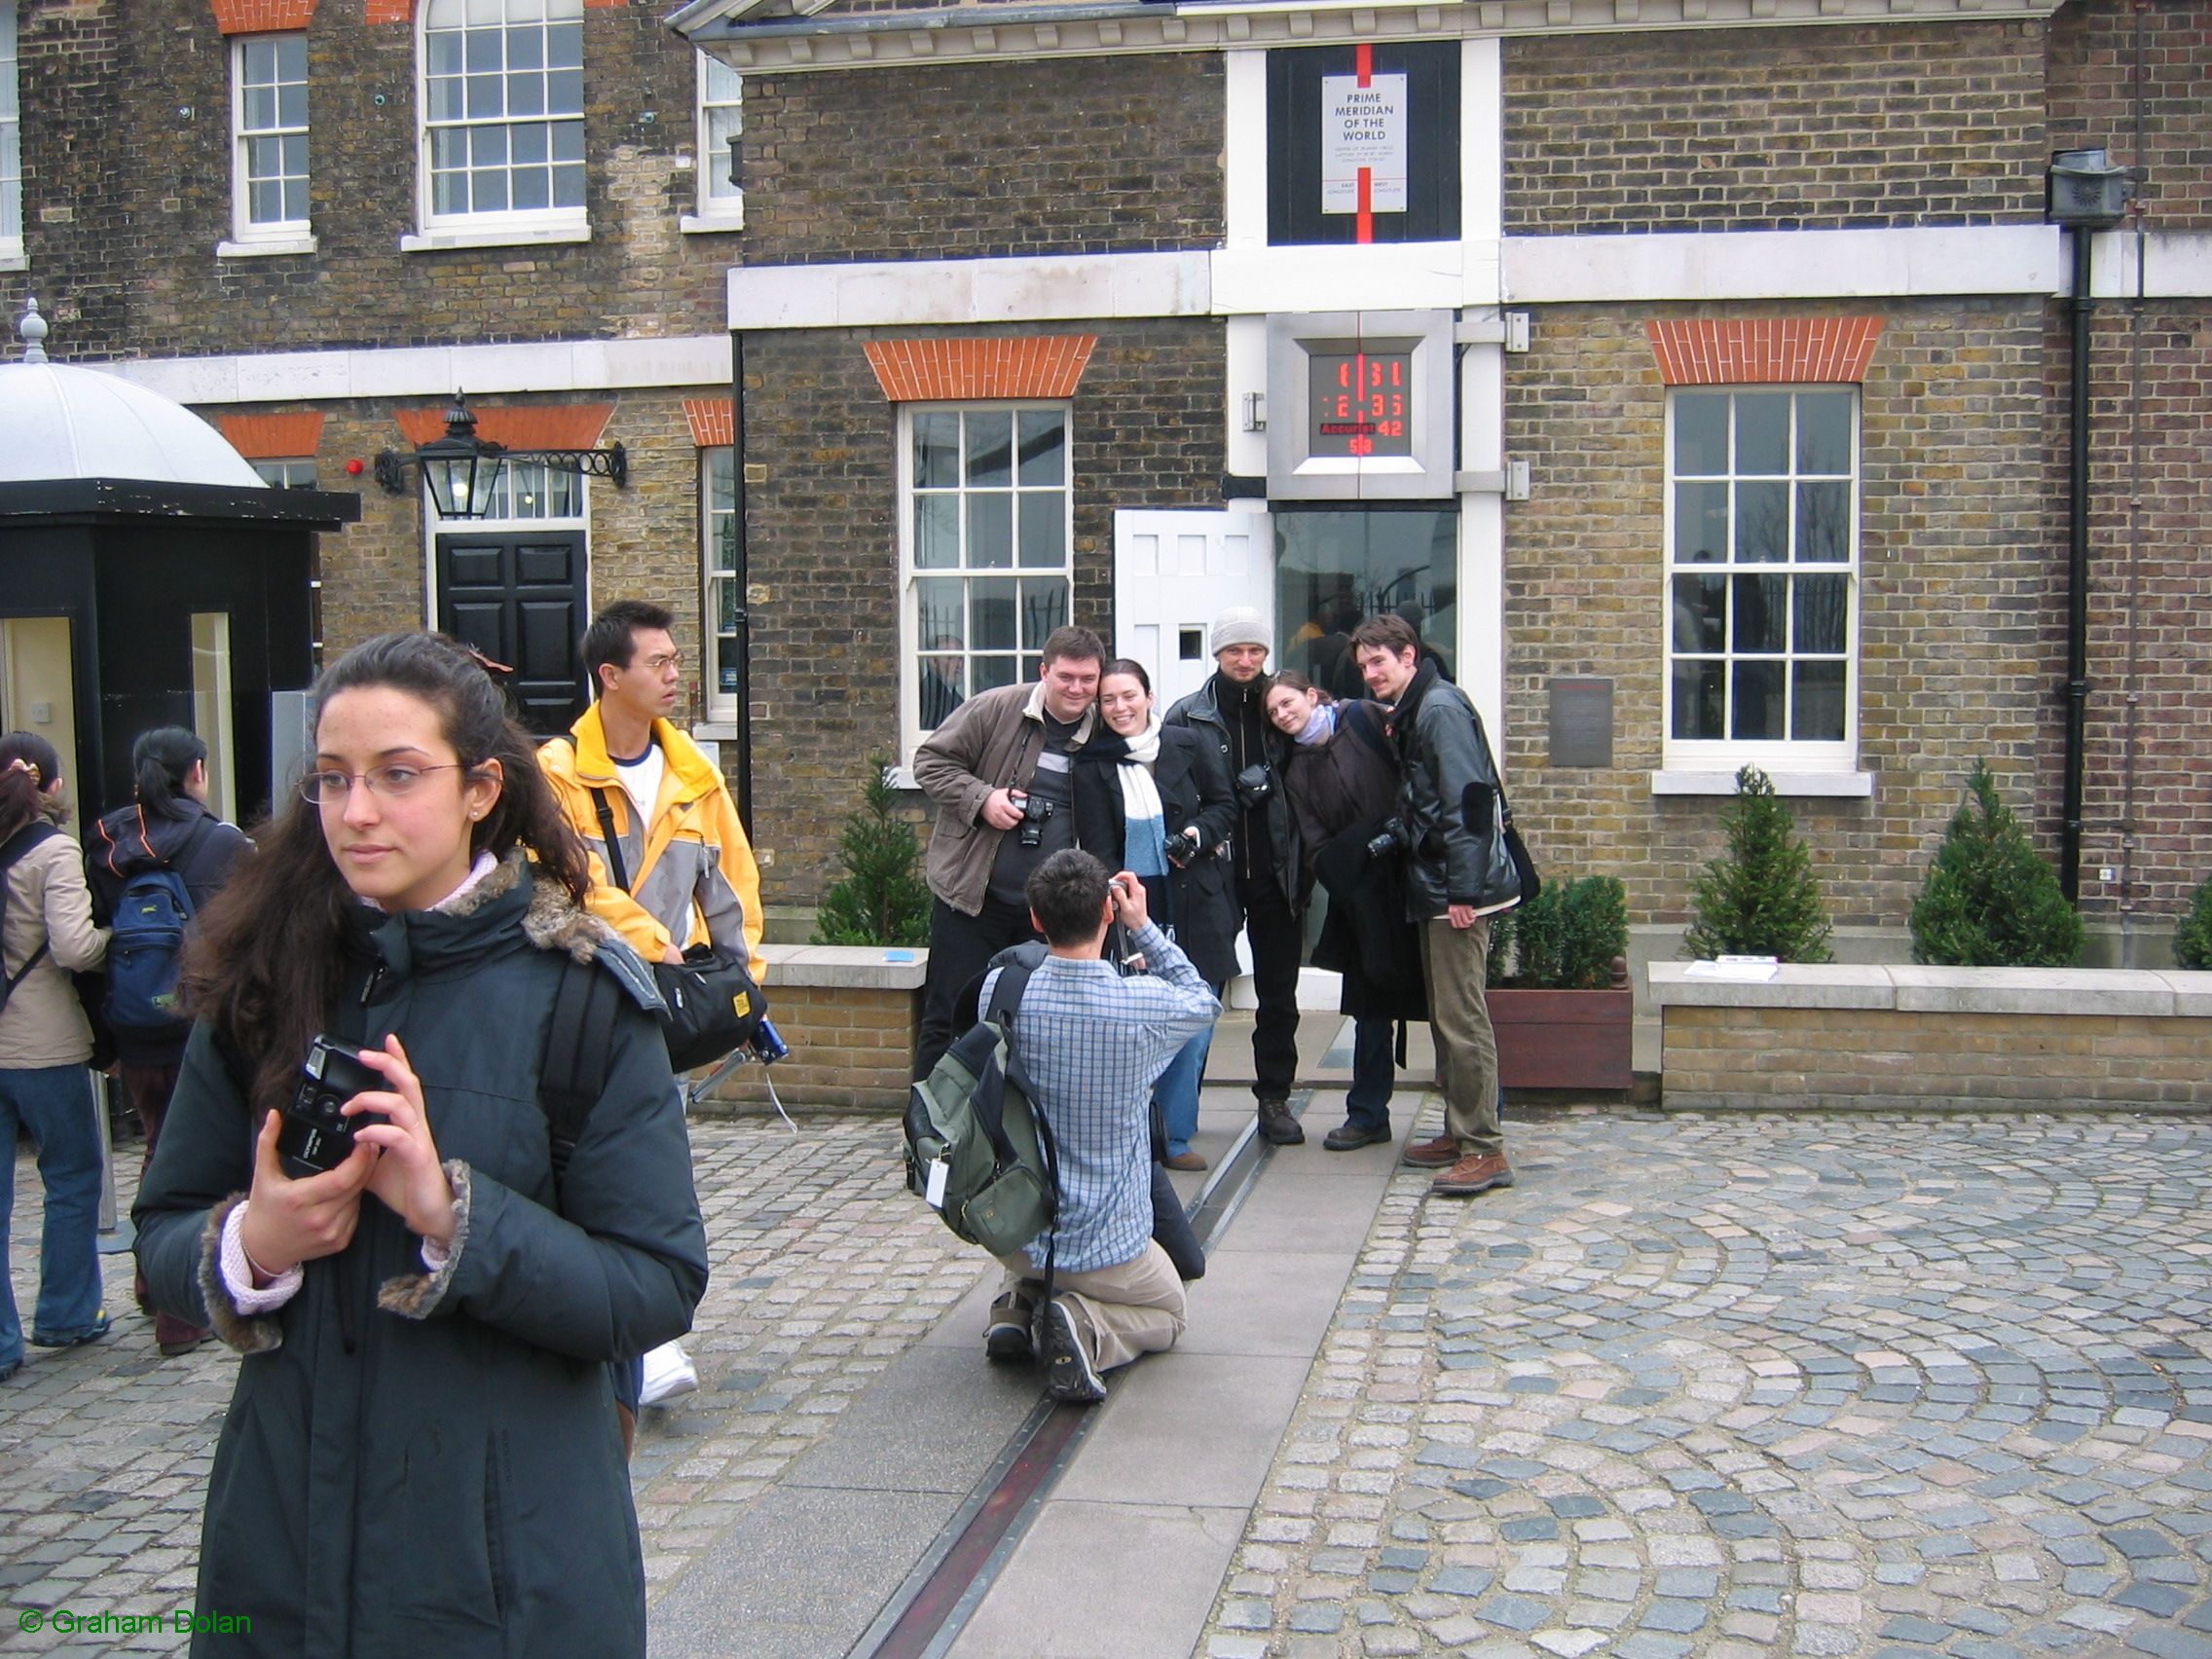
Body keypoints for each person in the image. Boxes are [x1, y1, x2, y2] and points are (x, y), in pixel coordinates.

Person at [133, 631, 708, 1656]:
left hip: (504, 1573)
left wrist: (455, 1220)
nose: (358, 813)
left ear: (481, 787)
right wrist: (250, 1245)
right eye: (334, 779)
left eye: (399, 776)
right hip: (280, 1560)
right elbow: (161, 1241)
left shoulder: (579, 999)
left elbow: (654, 1284)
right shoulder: (261, 982)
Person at [539, 599, 761, 1409]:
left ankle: (645, 1332)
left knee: (645, 1161)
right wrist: (648, 943)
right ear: (611, 676)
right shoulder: (551, 774)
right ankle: (631, 1332)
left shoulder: (696, 776)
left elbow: (733, 885)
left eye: (676, 660)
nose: (677, 675)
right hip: (575, 997)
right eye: (659, 663)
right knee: (589, 1160)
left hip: (655, 1008)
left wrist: (742, 986)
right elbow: (571, 883)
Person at [981, 850, 1218, 1403]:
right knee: (1170, 1311)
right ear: (1108, 913)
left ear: (1037, 919)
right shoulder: (1143, 1005)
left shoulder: (1001, 990)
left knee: (1036, 1251)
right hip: (1105, 1249)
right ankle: (1086, 1328)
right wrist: (1144, 927)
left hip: (1016, 1229)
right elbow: (1201, 999)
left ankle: (1015, 1308)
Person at [88, 726, 252, 1357]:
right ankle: (177, 1307)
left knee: (156, 1141)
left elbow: (94, 943)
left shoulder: (108, 842)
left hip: (132, 1023)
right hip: (197, 1019)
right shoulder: (221, 842)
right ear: (198, 772)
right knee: (190, 1153)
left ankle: (151, 1280)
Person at [1350, 612, 1523, 1198]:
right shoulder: (1419, 708)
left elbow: (1470, 803)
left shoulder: (1439, 709)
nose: (1371, 674)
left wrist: (1464, 893)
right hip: (1439, 884)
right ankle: (1459, 1133)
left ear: (1408, 656)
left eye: (1379, 662)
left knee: (1462, 1017)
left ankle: (1484, 1147)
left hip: (1455, 891)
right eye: (1364, 666)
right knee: (1448, 1017)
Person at [910, 624, 1105, 1081]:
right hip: (972, 900)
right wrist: (983, 799)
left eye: (1087, 679)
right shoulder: (996, 708)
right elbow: (929, 762)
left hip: (1051, 914)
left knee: (1036, 1026)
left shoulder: (1102, 729)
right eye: (1066, 677)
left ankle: (1013, 1134)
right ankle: (928, 1134)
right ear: (1044, 672)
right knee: (947, 1018)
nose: (1077, 689)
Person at [1070, 659, 1238, 1171]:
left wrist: (1196, 835)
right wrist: (1122, 902)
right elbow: (1098, 847)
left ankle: (1176, 1138)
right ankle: (1142, 1133)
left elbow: (1225, 805)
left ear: (1149, 695)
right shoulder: (1092, 765)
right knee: (1141, 1024)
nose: (1119, 708)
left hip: (1199, 902)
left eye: (1128, 696)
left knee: (1196, 1019)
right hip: (1134, 907)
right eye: (1108, 700)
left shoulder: (1190, 742)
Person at [1265, 672, 1427, 1154]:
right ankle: (1368, 1114)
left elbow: (1413, 774)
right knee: (1369, 1009)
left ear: (1312, 695)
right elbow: (1316, 843)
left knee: (1446, 1002)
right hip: (1362, 892)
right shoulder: (1296, 770)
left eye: (1287, 703)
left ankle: (1476, 1111)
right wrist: (1351, 874)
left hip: (1416, 876)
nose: (1282, 715)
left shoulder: (1365, 718)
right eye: (1273, 712)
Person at [1163, 607, 1304, 1146]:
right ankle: (1180, 1104)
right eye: (1234, 650)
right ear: (1217, 654)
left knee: (1277, 994)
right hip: (1209, 876)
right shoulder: (1187, 715)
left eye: (1256, 650)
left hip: (1276, 872)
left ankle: (1275, 1098)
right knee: (1197, 991)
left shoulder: (1281, 708)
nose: (1246, 660)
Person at [0, 734, 110, 1382]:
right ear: (50, 784)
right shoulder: (52, 851)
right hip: (42, 1043)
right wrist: (112, 937)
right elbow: (72, 947)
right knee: (71, 1175)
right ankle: (66, 1312)